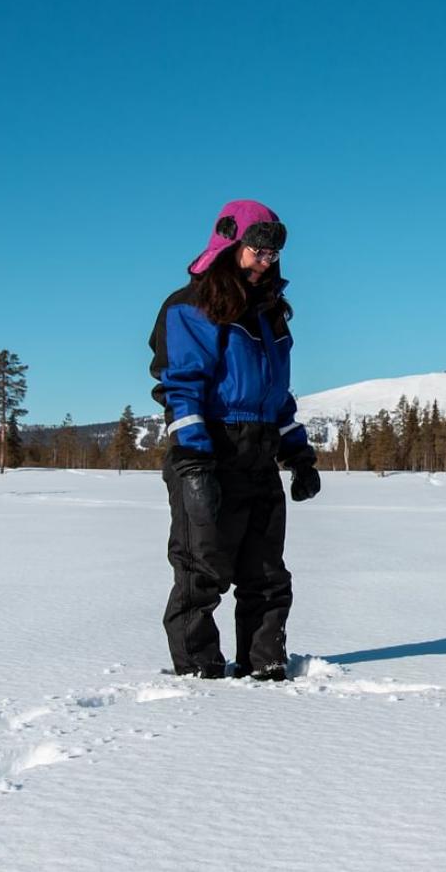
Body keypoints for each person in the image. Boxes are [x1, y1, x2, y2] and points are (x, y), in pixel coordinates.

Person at [149, 199, 320, 681]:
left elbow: (275, 396)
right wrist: (194, 465)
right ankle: (198, 674)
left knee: (266, 575)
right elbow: (182, 385)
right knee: (202, 571)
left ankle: (265, 664)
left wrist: (299, 455)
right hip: (210, 452)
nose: (266, 260)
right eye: (257, 250)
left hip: (260, 453)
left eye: (273, 253)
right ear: (230, 244)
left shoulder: (269, 314)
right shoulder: (191, 306)